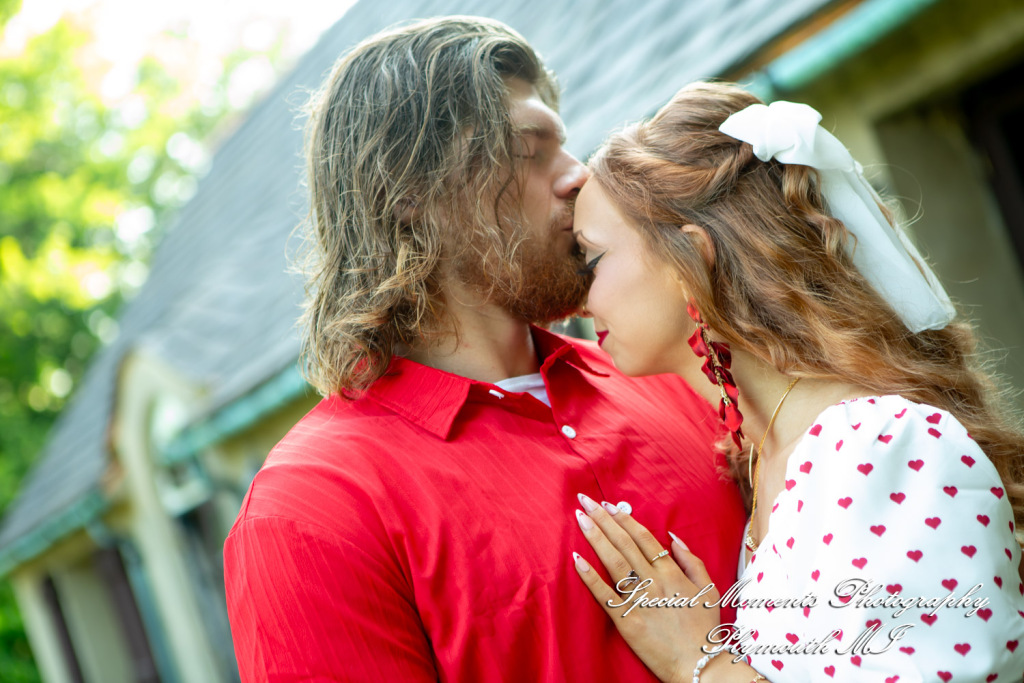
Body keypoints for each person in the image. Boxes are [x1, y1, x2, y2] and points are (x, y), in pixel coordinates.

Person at [223, 19, 747, 682]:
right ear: (409, 191)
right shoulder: (312, 510)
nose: (578, 176)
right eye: (530, 148)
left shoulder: (678, 376)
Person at [569, 81, 1024, 682]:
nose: (578, 295)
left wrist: (696, 662)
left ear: (690, 259)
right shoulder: (766, 457)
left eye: (591, 259)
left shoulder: (884, 445)